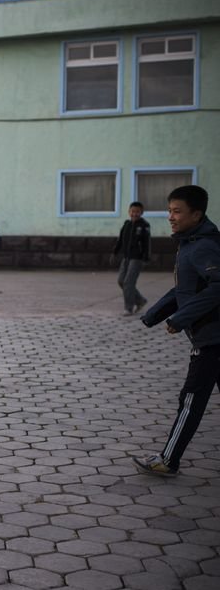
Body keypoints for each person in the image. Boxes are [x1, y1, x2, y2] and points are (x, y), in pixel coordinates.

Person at [136, 185, 220, 477]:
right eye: (169, 210)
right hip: (210, 336)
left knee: (191, 400)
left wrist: (182, 318)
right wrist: (154, 314)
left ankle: (168, 460)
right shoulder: (191, 242)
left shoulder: (203, 246)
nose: (170, 217)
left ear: (196, 214)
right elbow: (185, 288)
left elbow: (217, 287)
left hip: (211, 338)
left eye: (177, 211)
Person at [113, 202, 150, 316]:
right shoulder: (127, 224)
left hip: (137, 259)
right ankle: (140, 300)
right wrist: (115, 252)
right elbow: (120, 239)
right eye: (133, 211)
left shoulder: (144, 225)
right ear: (129, 212)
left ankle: (128, 308)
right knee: (121, 281)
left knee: (128, 283)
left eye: (137, 212)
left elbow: (147, 243)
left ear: (141, 212)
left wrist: (146, 258)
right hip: (126, 257)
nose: (135, 214)